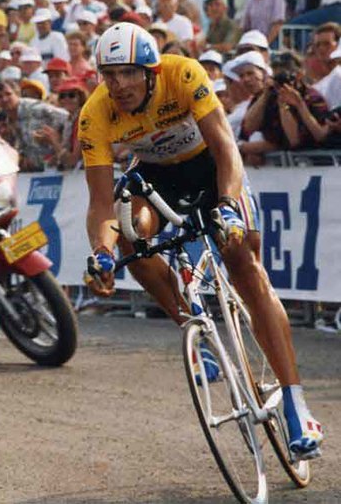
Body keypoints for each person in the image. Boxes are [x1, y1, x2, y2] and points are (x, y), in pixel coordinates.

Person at [79, 22, 323, 459]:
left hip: (210, 167)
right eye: (109, 75)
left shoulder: (184, 73)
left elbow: (227, 149)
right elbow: (100, 203)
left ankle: (295, 404)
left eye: (129, 73)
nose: (118, 85)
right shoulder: (95, 113)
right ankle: (193, 327)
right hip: (156, 178)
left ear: (151, 71)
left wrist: (227, 206)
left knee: (243, 264)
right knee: (130, 233)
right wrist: (101, 250)